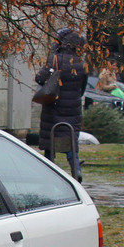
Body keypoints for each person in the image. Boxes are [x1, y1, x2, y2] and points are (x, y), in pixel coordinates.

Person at [35, 27, 89, 181]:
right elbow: (82, 88)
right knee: (71, 141)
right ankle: (76, 169)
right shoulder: (81, 64)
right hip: (73, 109)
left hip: (53, 107)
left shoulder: (55, 59)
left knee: (50, 143)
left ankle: (49, 173)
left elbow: (40, 78)